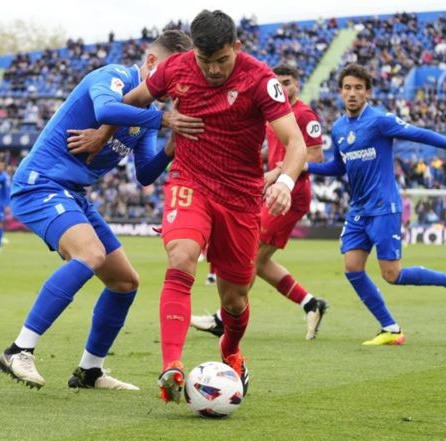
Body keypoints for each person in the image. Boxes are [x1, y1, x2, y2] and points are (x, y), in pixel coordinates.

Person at [0, 30, 200, 391]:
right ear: (152, 63)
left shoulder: (148, 112)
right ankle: (19, 349)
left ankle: (90, 370)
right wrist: (165, 120)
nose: (175, 84)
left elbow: (144, 175)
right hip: (40, 183)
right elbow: (106, 109)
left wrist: (171, 148)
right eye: (172, 72)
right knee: (90, 253)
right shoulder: (113, 76)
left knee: (125, 282)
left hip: (73, 194)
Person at [122, 10, 308, 403]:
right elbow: (132, 102)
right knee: (181, 256)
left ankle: (230, 350)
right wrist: (164, 117)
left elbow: (296, 143)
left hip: (240, 199)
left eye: (221, 61)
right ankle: (171, 366)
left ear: (236, 48)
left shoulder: (260, 79)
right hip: (189, 182)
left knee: (234, 300)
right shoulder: (175, 68)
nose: (213, 70)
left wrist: (287, 182)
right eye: (205, 62)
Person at [305, 63, 446, 345]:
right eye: (347, 88)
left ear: (367, 92)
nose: (352, 93)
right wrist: (305, 168)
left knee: (392, 274)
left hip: (383, 207)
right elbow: (337, 168)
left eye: (358, 88)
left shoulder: (379, 121)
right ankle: (390, 328)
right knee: (353, 268)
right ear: (340, 92)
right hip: (358, 210)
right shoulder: (340, 127)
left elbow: (420, 134)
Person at [190, 63, 329, 340]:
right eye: (278, 83)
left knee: (249, 251)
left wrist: (277, 172)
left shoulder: (303, 114)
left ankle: (223, 318)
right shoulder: (274, 115)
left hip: (292, 192)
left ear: (297, 85)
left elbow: (314, 156)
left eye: (288, 82)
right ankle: (311, 304)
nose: (283, 87)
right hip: (274, 191)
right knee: (260, 261)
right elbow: (274, 151)